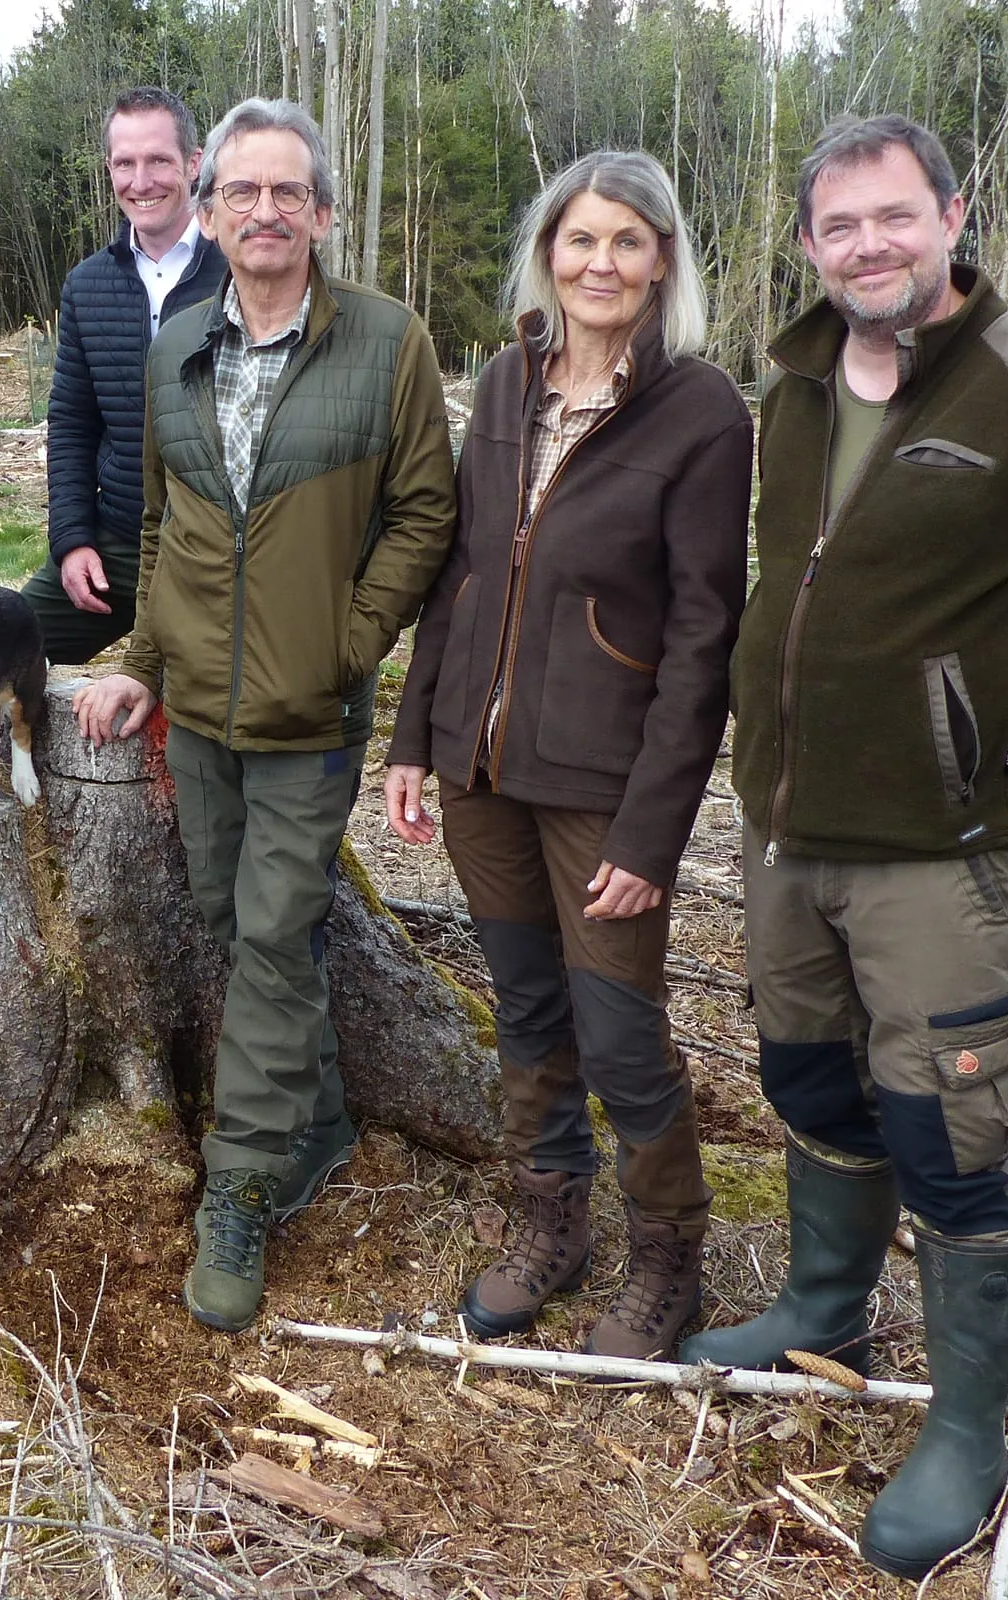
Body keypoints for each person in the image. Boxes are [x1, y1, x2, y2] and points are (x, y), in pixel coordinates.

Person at [681, 114, 1008, 1577]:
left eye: (895, 218)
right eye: (840, 228)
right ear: (807, 247)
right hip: (787, 828)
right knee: (807, 1074)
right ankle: (824, 1309)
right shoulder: (783, 386)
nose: (870, 248)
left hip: (945, 854)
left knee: (952, 1133)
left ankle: (968, 1428)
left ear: (952, 216)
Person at [74, 97, 455, 1333]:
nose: (265, 211)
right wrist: (138, 654)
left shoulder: (387, 344)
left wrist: (346, 645)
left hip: (308, 714)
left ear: (323, 214)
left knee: (276, 934)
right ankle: (325, 1121)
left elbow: (422, 517)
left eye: (288, 192)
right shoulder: (177, 347)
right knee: (230, 926)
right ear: (208, 204)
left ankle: (241, 1183)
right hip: (195, 715)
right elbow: (158, 533)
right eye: (243, 191)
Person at [384, 151, 751, 1360]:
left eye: (626, 243)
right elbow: (464, 570)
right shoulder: (504, 382)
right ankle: (550, 1222)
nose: (600, 264)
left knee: (619, 1025)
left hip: (602, 782)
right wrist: (414, 735)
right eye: (579, 240)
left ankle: (668, 1262)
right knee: (527, 1010)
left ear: (660, 265)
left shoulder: (699, 413)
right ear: (548, 252)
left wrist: (651, 834)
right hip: (481, 770)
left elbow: (705, 636)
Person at [21, 85, 226, 664]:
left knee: (197, 693)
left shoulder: (238, 275)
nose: (142, 181)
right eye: (124, 163)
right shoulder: (88, 285)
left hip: (218, 548)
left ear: (193, 164)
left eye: (158, 160)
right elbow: (71, 424)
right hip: (120, 540)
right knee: (2, 644)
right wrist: (73, 540)